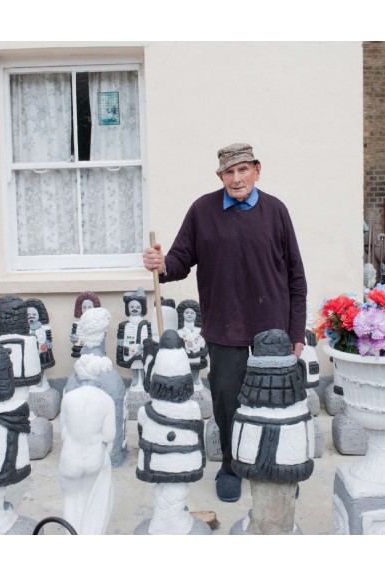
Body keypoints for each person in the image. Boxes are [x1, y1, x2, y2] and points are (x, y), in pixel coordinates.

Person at [142, 143, 307, 503]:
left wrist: (295, 332)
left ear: (257, 170)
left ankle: (278, 465)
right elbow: (181, 259)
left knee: (275, 402)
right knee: (226, 401)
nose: (236, 178)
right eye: (229, 173)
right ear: (220, 177)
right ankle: (232, 465)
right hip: (225, 325)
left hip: (273, 331)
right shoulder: (202, 211)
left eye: (243, 170)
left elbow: (296, 276)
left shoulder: (277, 211)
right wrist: (162, 263)